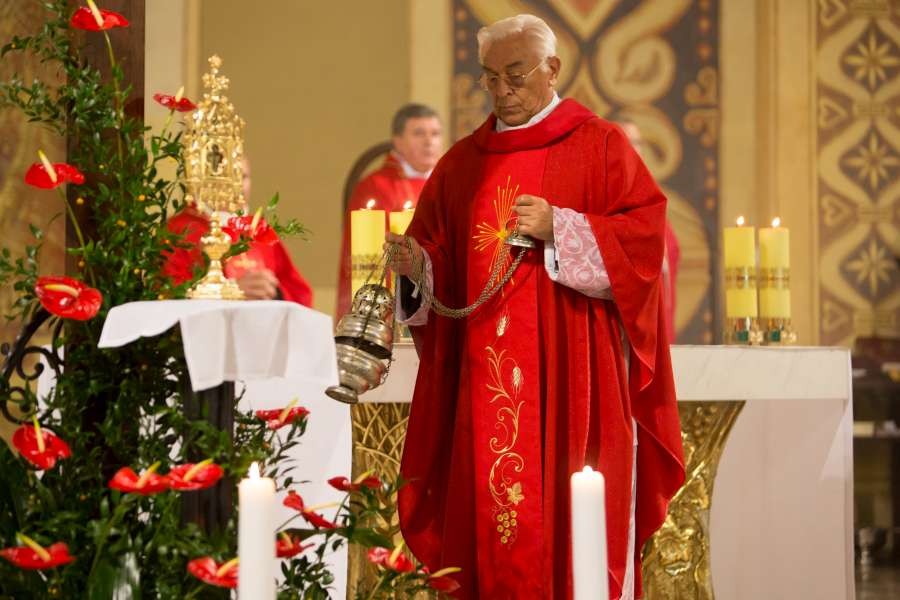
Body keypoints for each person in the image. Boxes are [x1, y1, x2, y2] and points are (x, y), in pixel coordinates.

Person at [386, 14, 684, 600]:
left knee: (570, 520)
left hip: (573, 376)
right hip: (479, 381)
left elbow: (644, 245)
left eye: (515, 75)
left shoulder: (599, 145)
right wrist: (417, 267)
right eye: (490, 77)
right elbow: (440, 263)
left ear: (552, 69)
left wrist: (562, 227)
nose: (502, 90)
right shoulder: (461, 164)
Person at [336, 103, 442, 317]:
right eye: (419, 133)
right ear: (398, 141)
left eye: (435, 133)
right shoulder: (376, 187)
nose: (429, 142)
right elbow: (373, 257)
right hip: (396, 305)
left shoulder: (451, 183)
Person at [163, 156, 313, 306]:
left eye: (243, 176)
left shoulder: (259, 229)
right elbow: (170, 293)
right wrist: (231, 292)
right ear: (206, 181)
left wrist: (273, 292)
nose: (238, 185)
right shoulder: (180, 230)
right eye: (229, 176)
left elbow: (299, 293)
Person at [618, 120, 681, 343]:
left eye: (637, 142)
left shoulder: (649, 198)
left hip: (656, 318)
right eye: (625, 141)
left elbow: (670, 253)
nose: (633, 149)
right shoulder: (603, 198)